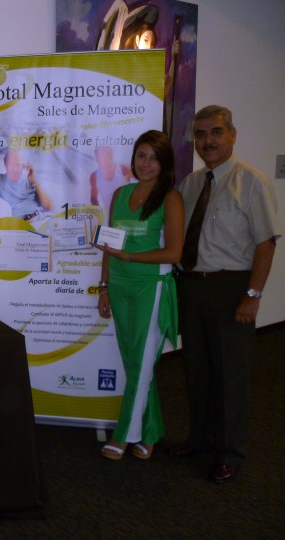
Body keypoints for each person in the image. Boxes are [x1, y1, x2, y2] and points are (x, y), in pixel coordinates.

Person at [169, 105, 280, 483]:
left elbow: (266, 243)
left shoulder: (253, 182)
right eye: (200, 134)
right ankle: (200, 440)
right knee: (196, 370)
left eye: (216, 132)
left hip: (231, 288)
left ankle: (231, 451)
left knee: (230, 375)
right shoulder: (190, 184)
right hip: (191, 286)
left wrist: (253, 294)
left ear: (232, 134)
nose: (208, 141)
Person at [94, 130, 183, 461]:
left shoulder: (170, 198)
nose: (146, 164)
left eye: (154, 158)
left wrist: (129, 257)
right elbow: (110, 245)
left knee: (142, 362)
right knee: (135, 363)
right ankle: (152, 431)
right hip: (119, 286)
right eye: (141, 156)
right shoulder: (120, 193)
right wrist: (104, 287)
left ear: (165, 163)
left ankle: (123, 435)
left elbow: (174, 252)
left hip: (151, 288)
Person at [0, 149, 53, 220]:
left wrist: (34, 181)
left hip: (39, 218)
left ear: (23, 165)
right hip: (18, 223)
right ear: (5, 164)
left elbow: (49, 206)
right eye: (11, 164)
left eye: (17, 165)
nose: (14, 169)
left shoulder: (31, 179)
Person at [89, 145, 132, 212]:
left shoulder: (123, 169)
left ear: (110, 155)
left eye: (104, 156)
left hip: (127, 213)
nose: (101, 159)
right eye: (98, 157)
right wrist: (98, 213)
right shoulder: (94, 176)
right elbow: (93, 198)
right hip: (110, 215)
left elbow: (144, 181)